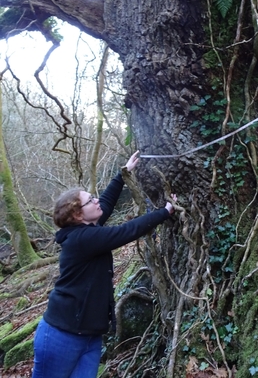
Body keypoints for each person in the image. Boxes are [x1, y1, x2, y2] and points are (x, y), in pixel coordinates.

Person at [32, 150, 176, 378]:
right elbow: (125, 231)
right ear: (78, 215)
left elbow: (106, 203)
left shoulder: (87, 229)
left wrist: (123, 175)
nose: (96, 200)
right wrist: (165, 211)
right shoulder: (82, 239)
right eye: (90, 200)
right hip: (62, 334)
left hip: (90, 333)